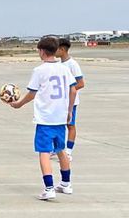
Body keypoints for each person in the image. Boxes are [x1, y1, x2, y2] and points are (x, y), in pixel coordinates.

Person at [8, 36, 77, 200]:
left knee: (44, 152)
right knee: (61, 151)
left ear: (41, 51)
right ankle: (66, 184)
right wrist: (69, 111)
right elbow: (73, 90)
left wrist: (19, 104)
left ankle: (49, 188)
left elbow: (32, 93)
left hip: (46, 118)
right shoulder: (64, 68)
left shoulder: (39, 70)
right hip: (61, 116)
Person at [55, 39, 85, 154]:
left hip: (71, 101)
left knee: (70, 125)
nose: (54, 52)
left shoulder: (73, 64)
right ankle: (57, 149)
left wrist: (69, 91)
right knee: (58, 124)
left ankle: (69, 150)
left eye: (56, 49)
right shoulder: (59, 64)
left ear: (62, 49)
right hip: (60, 101)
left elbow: (81, 83)